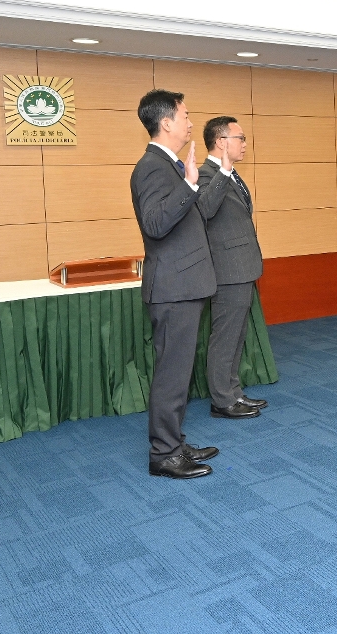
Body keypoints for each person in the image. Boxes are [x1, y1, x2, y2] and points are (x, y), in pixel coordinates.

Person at [131, 89, 229, 479]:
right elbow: (155, 223)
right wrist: (189, 186)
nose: (190, 122)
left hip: (184, 285)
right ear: (166, 122)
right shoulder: (151, 168)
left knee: (178, 372)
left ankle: (174, 442)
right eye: (185, 115)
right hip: (174, 287)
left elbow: (192, 217)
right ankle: (164, 455)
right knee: (171, 375)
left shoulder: (168, 165)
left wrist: (193, 185)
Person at [198, 116, 267, 420]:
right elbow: (205, 209)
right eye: (240, 138)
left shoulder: (229, 174)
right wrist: (224, 171)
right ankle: (222, 400)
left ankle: (233, 392)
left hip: (241, 267)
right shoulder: (205, 174)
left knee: (237, 334)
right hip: (227, 270)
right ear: (221, 142)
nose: (245, 144)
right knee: (225, 336)